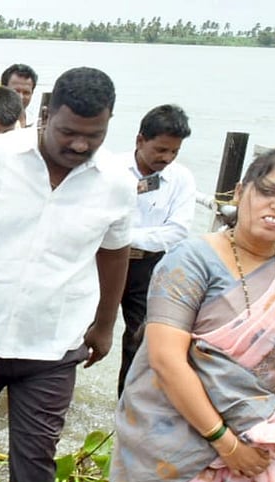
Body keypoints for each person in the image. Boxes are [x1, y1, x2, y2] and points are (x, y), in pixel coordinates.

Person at [111, 147, 275, 482]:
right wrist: (225, 443)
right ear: (241, 192)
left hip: (257, 448)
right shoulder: (191, 260)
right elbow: (166, 360)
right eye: (268, 190)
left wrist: (270, 441)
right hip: (176, 446)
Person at [0, 67, 134, 482]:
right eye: (68, 132)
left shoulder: (116, 182)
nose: (79, 144)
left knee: (35, 473)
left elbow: (115, 251)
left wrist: (105, 325)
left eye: (94, 135)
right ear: (44, 115)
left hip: (52, 346)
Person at [115, 104, 195, 396]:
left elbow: (178, 231)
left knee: (140, 339)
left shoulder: (181, 179)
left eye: (174, 151)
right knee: (78, 329)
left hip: (149, 267)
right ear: (140, 140)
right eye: (161, 149)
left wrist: (124, 236)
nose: (167, 158)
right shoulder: (112, 169)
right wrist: (141, 237)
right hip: (105, 262)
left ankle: (127, 404)